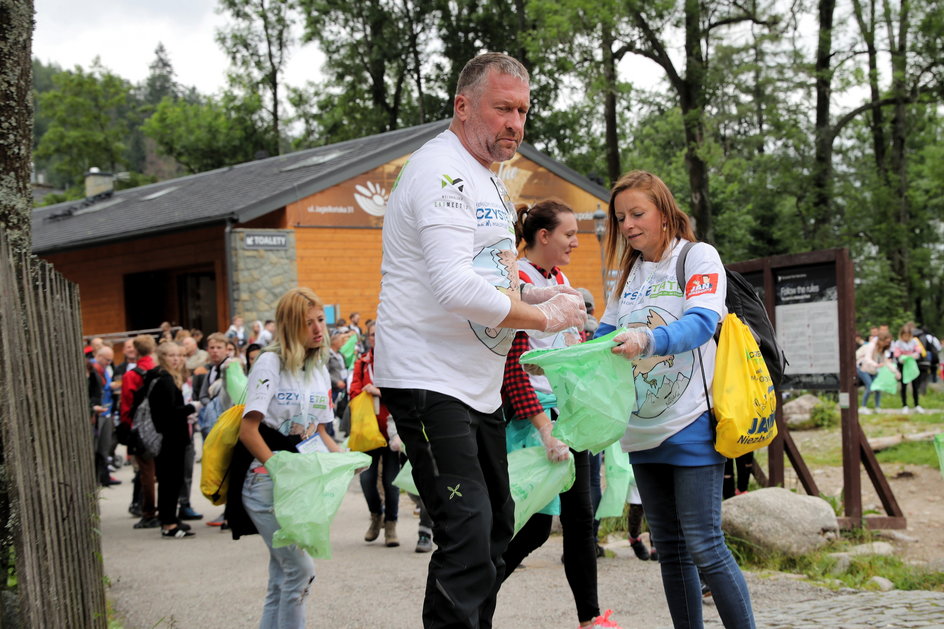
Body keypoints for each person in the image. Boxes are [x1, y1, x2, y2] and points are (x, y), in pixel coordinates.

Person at [374, 52, 586, 629]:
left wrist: (539, 296)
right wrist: (543, 321)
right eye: (502, 109)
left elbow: (490, 269)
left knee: (496, 530)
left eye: (522, 110)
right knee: (466, 538)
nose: (514, 123)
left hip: (478, 384)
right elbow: (452, 285)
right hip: (427, 380)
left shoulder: (489, 178)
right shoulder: (440, 171)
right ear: (463, 106)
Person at [596, 170, 755, 629]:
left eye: (637, 213)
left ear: (664, 213)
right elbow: (604, 337)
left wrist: (647, 340)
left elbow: (703, 322)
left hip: (691, 422)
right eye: (620, 217)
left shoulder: (697, 257)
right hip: (641, 430)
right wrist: (559, 355)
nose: (627, 225)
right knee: (669, 547)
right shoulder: (629, 273)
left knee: (705, 543)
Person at [499, 200, 620, 629]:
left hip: (568, 419)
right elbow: (515, 365)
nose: (576, 241)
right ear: (543, 236)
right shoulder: (515, 281)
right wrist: (546, 431)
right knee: (532, 530)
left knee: (580, 523)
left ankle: (590, 619)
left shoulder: (561, 281)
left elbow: (564, 353)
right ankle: (474, 597)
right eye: (569, 233)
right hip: (535, 422)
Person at [234, 287, 340, 628]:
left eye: (320, 320)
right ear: (289, 326)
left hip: (299, 483)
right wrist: (278, 469)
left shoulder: (319, 367)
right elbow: (248, 430)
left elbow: (320, 433)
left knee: (282, 576)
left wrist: (348, 459)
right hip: (265, 483)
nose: (317, 329)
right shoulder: (270, 362)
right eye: (307, 323)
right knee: (300, 572)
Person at [350, 322, 403, 548]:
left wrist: (378, 392)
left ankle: (391, 525)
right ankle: (376, 516)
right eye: (372, 335)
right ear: (368, 338)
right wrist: (363, 391)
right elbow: (353, 392)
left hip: (391, 434)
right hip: (368, 433)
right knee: (367, 480)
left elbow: (402, 393)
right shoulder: (362, 364)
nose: (375, 338)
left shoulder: (395, 362)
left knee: (391, 482)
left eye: (378, 334)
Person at [148, 341, 202, 538]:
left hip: (172, 437)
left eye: (179, 355)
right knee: (170, 481)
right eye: (171, 356)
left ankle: (170, 519)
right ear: (163, 357)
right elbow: (169, 414)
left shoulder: (166, 377)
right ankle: (169, 524)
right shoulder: (165, 380)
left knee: (171, 480)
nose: (176, 359)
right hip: (170, 439)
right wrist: (191, 408)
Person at [120, 334, 161, 529]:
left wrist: (127, 427)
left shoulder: (131, 375)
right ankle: (166, 509)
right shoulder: (159, 369)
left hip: (140, 427)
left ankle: (148, 511)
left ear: (135, 350)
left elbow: (126, 405)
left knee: (146, 473)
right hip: (159, 425)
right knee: (162, 471)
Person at [856, 331, 894, 412]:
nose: (887, 344)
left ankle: (877, 407)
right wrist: (876, 365)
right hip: (864, 368)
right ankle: (863, 407)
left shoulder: (883, 349)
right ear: (882, 340)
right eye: (887, 342)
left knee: (877, 388)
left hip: (874, 370)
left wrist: (895, 372)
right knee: (870, 387)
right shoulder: (871, 345)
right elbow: (867, 359)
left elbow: (885, 361)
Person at [892, 324, 925, 413]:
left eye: (907, 336)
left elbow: (919, 351)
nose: (906, 338)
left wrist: (915, 355)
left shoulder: (914, 341)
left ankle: (917, 404)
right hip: (903, 366)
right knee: (904, 386)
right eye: (904, 336)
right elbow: (896, 355)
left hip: (912, 366)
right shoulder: (898, 343)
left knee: (915, 386)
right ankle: (904, 405)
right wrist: (902, 358)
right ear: (901, 335)